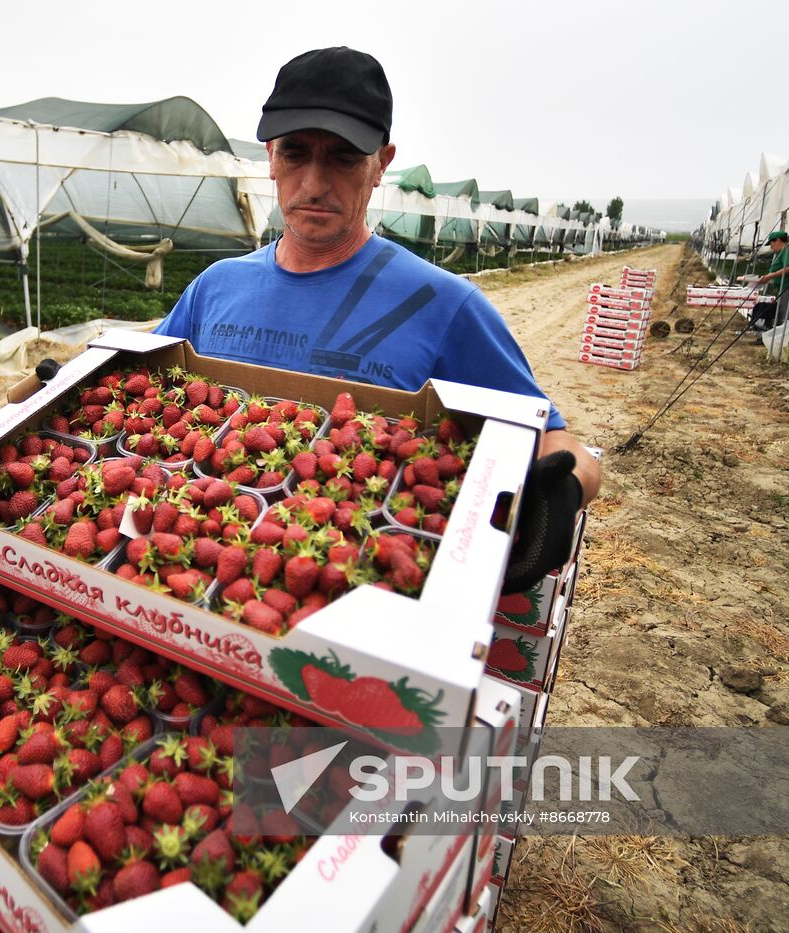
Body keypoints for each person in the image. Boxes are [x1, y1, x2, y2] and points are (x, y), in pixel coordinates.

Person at [153, 47, 600, 592]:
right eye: (295, 154)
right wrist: (52, 382)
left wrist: (563, 490)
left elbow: (556, 443)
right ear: (271, 156)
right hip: (189, 574)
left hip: (349, 592)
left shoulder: (442, 304)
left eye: (343, 158)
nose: (314, 183)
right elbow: (126, 388)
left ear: (381, 164)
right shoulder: (215, 287)